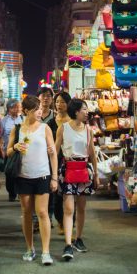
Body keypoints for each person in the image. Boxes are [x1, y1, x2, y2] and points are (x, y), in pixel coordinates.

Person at [7, 95, 58, 266]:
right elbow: (7, 152)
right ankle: (29, 248)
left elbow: (53, 154)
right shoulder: (17, 129)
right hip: (23, 176)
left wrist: (55, 178)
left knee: (42, 212)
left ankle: (46, 251)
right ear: (27, 111)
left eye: (40, 109)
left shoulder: (45, 128)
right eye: (36, 109)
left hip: (42, 175)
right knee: (27, 213)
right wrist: (15, 147)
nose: (40, 112)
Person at [55, 99, 98, 260]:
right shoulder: (63, 128)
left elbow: (92, 153)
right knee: (68, 209)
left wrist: (97, 175)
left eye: (87, 109)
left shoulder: (88, 130)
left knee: (81, 207)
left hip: (84, 170)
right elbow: (55, 149)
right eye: (84, 109)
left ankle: (78, 238)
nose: (87, 112)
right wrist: (53, 174)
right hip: (68, 169)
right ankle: (67, 244)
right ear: (76, 112)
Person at [50, 91, 72, 232]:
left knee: (71, 194)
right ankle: (60, 221)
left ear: (68, 104)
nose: (59, 105)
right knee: (56, 194)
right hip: (55, 161)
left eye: (63, 102)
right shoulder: (50, 123)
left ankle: (71, 221)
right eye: (57, 101)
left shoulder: (74, 122)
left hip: (71, 161)